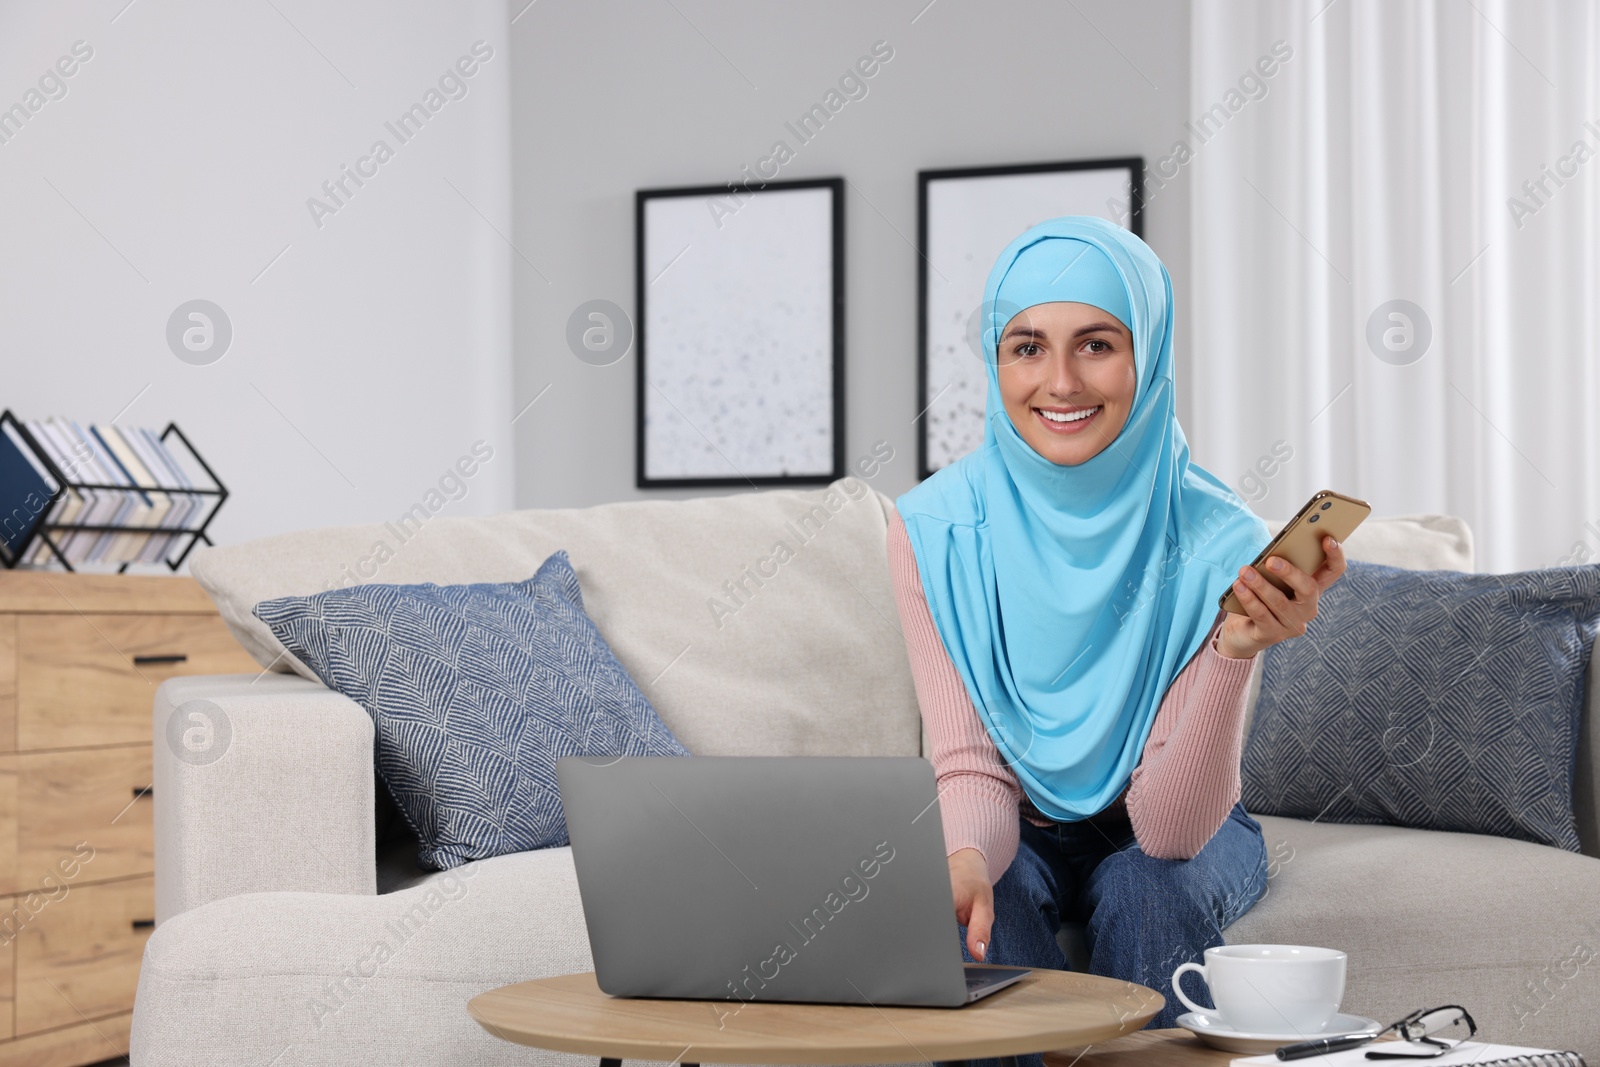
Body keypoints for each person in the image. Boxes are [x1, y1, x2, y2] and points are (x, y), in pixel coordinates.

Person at [889, 215, 1347, 1048]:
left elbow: (1171, 832)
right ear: (996, 364)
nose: (1059, 381)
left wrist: (1231, 652)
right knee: (970, 901)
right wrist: (959, 859)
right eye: (1027, 347)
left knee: (1149, 886)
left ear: (1150, 355)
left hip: (1181, 822)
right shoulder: (933, 529)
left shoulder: (1221, 539)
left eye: (1096, 344)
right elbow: (967, 766)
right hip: (1008, 814)